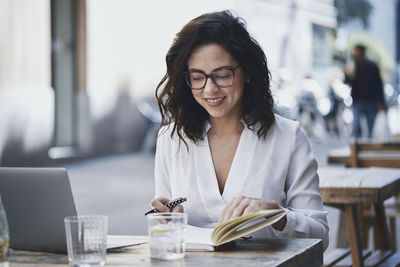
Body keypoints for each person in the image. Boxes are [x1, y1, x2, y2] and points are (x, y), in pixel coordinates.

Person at [149, 10, 328, 251]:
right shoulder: (170, 139)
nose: (210, 89)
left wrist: (278, 215)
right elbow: (167, 232)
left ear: (248, 73)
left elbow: (321, 237)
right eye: (197, 77)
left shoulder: (287, 136)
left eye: (223, 75)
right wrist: (169, 220)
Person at [345, 44, 385, 138]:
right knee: (356, 126)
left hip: (371, 101)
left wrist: (381, 102)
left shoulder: (372, 67)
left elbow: (379, 85)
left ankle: (369, 147)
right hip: (357, 101)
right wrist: (347, 74)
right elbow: (348, 81)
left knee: (371, 128)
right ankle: (355, 148)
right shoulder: (353, 66)